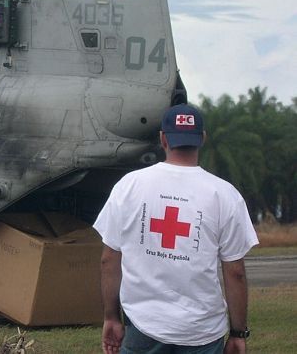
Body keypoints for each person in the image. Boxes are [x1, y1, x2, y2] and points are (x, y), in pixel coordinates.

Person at [94, 104, 258, 354]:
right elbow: (235, 272)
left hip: (143, 326)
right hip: (202, 332)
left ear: (163, 139)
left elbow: (109, 260)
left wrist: (111, 317)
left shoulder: (129, 186)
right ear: (202, 139)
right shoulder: (225, 195)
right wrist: (237, 333)